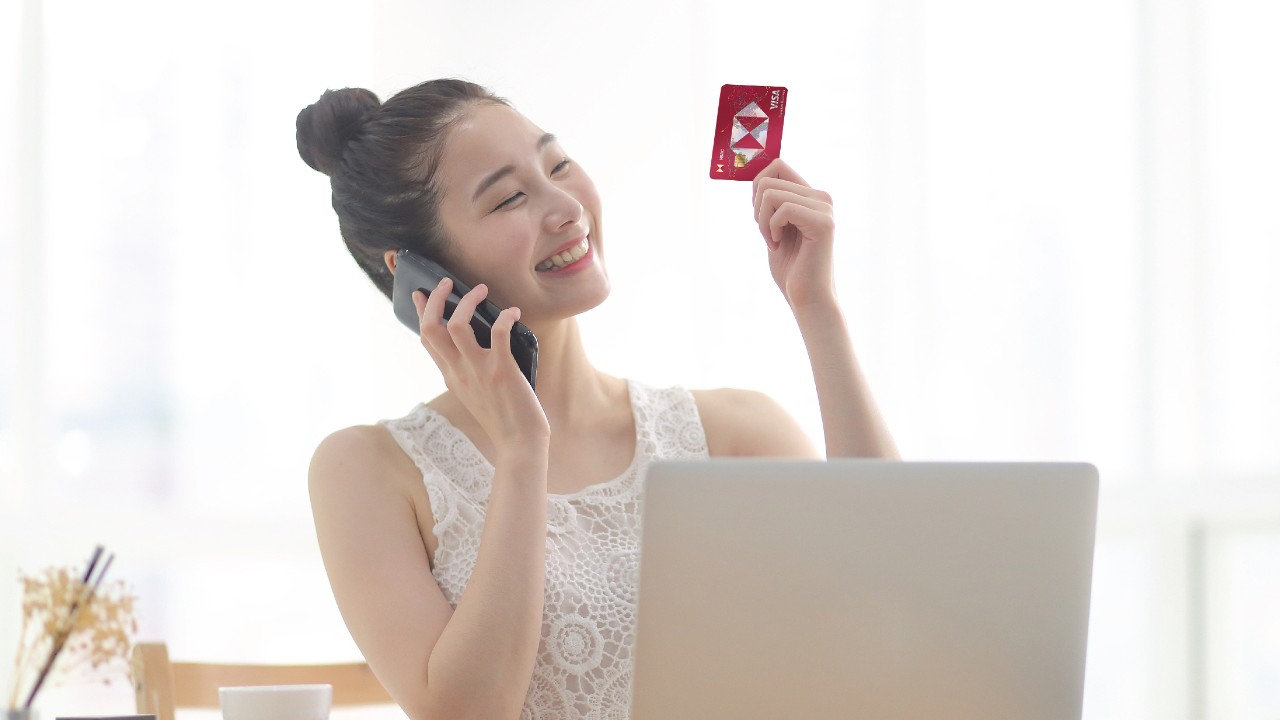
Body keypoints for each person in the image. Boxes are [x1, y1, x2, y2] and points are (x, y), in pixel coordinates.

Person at [296, 78, 897, 720]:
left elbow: (894, 600)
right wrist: (522, 452)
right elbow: (465, 712)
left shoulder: (733, 432)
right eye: (508, 200)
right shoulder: (367, 470)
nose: (565, 208)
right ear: (417, 271)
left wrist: (818, 309)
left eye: (558, 166)